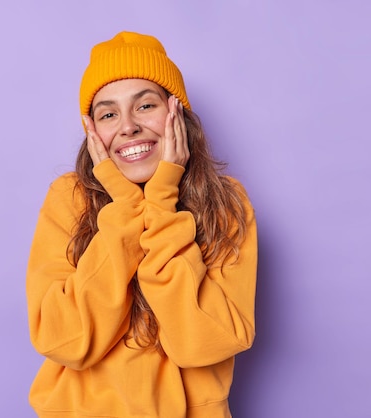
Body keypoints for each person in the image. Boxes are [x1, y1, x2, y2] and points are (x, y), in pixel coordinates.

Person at [26, 31, 258, 418]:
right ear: (93, 132)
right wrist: (126, 206)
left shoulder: (226, 202)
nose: (128, 126)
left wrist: (162, 196)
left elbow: (204, 343)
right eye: (108, 114)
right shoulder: (69, 197)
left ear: (176, 113)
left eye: (145, 105)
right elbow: (65, 340)